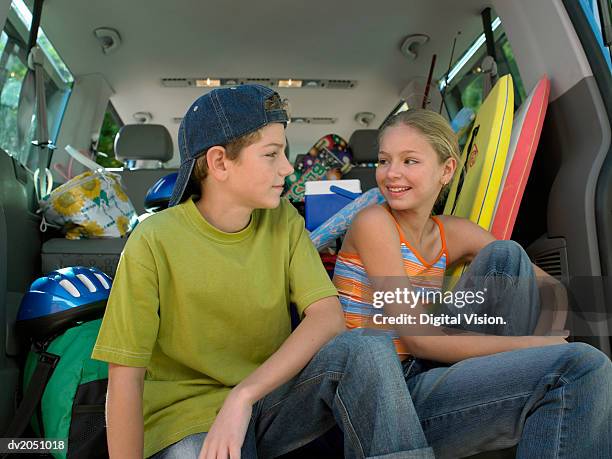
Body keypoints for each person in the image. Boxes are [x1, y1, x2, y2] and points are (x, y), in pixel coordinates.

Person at [91, 85, 434, 459]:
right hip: (185, 418)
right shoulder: (152, 240)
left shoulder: (283, 219)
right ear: (220, 162)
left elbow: (328, 318)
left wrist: (244, 395)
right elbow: (125, 378)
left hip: (270, 401)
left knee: (368, 345)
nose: (288, 168)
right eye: (272, 154)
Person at [334, 108, 612, 458]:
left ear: (446, 170)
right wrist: (533, 347)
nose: (392, 174)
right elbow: (420, 341)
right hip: (388, 395)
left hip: (432, 374)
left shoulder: (453, 232)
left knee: (506, 255)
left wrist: (549, 340)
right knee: (583, 367)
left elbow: (551, 287)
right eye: (384, 160)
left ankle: (521, 401)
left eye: (410, 161)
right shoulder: (373, 223)